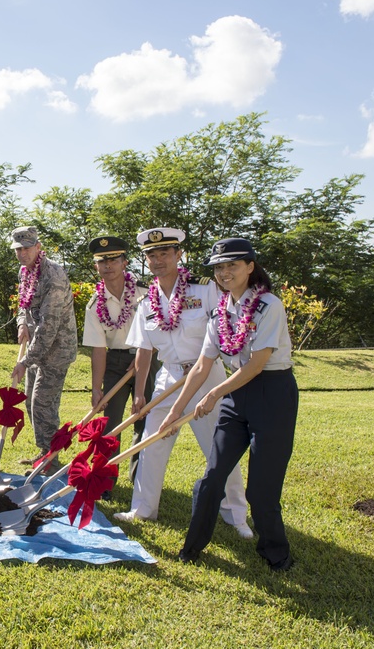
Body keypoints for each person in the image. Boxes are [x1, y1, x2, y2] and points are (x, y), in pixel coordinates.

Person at [163, 238, 299, 571]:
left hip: (272, 393)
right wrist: (176, 409)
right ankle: (191, 550)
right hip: (237, 395)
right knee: (212, 478)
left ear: (250, 267)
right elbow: (201, 365)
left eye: (232, 265)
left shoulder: (269, 305)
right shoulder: (220, 312)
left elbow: (256, 364)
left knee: (261, 491)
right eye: (219, 267)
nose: (225, 272)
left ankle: (275, 554)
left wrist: (213, 394)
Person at [114, 227, 251, 540]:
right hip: (169, 377)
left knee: (220, 448)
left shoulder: (205, 290)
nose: (158, 259)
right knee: (150, 444)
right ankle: (143, 509)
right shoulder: (146, 302)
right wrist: (139, 394)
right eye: (152, 254)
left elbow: (226, 332)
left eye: (165, 253)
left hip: (206, 376)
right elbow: (144, 351)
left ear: (178, 255)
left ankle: (236, 516)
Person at [82, 235, 157, 495]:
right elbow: (98, 348)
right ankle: (104, 482)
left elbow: (161, 331)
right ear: (96, 266)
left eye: (113, 259)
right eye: (102, 261)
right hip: (114, 363)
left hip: (148, 357)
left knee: (144, 420)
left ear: (125, 262)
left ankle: (141, 482)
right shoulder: (94, 305)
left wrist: (141, 360)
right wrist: (96, 389)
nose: (108, 265)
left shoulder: (145, 293)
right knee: (110, 424)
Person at [9, 226, 78, 475]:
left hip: (57, 349)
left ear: (38, 247)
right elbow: (23, 304)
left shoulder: (54, 275)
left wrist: (25, 361)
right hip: (37, 345)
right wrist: (20, 324)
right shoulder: (24, 272)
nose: (22, 253)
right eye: (18, 249)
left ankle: (51, 462)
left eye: (27, 248)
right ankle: (44, 450)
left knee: (43, 403)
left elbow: (49, 326)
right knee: (30, 401)